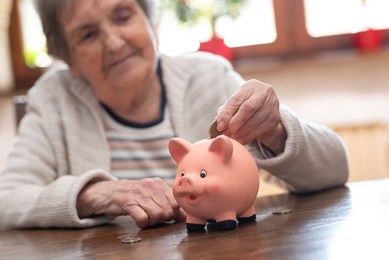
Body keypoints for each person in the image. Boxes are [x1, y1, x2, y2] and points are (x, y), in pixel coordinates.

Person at [0, 0, 348, 231]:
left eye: (123, 16)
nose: (114, 43)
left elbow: (335, 170)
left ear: (152, 22)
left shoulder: (208, 78)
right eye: (88, 34)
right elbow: (7, 201)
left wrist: (275, 130)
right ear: (69, 58)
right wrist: (96, 194)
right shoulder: (53, 97)